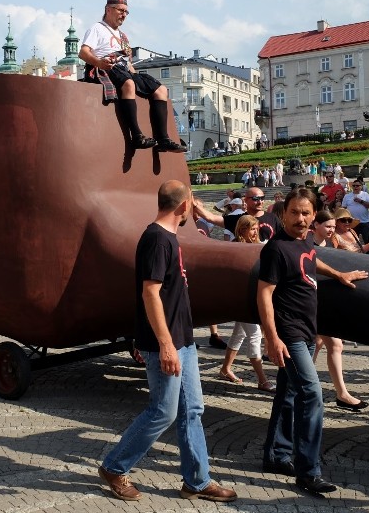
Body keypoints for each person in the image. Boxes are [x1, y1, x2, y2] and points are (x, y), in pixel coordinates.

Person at [98, 180, 236, 503]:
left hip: (181, 341)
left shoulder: (167, 238)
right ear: (184, 206)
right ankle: (114, 467)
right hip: (168, 343)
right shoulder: (158, 240)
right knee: (163, 411)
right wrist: (164, 344)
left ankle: (197, 481)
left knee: (192, 410)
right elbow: (149, 293)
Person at [258, 188, 367, 494]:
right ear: (284, 214)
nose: (300, 218)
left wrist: (338, 273)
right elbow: (264, 294)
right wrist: (271, 338)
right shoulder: (275, 249)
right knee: (313, 395)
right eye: (294, 212)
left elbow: (311, 261)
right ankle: (308, 470)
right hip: (289, 334)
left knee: (289, 393)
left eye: (306, 213)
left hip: (308, 330)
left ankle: (276, 455)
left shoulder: (305, 240)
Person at [79, 0, 186, 153]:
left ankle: (163, 139)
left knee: (161, 90)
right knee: (128, 84)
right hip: (106, 68)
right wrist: (100, 63)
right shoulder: (97, 28)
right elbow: (84, 53)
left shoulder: (123, 37)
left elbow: (128, 63)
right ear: (108, 9)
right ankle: (136, 136)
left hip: (124, 70)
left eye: (126, 12)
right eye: (120, 10)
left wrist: (135, 74)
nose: (124, 15)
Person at [311, 210, 369, 412]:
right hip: (311, 301)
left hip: (327, 300)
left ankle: (300, 383)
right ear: (316, 225)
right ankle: (341, 393)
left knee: (318, 344)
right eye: (327, 226)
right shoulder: (309, 245)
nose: (331, 230)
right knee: (334, 345)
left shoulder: (333, 243)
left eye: (333, 227)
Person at [218, 216, 274, 392]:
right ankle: (262, 380)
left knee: (239, 334)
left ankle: (225, 368)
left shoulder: (259, 245)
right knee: (254, 335)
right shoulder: (235, 246)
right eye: (251, 229)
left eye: (256, 228)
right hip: (241, 299)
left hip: (252, 298)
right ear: (242, 230)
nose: (255, 231)